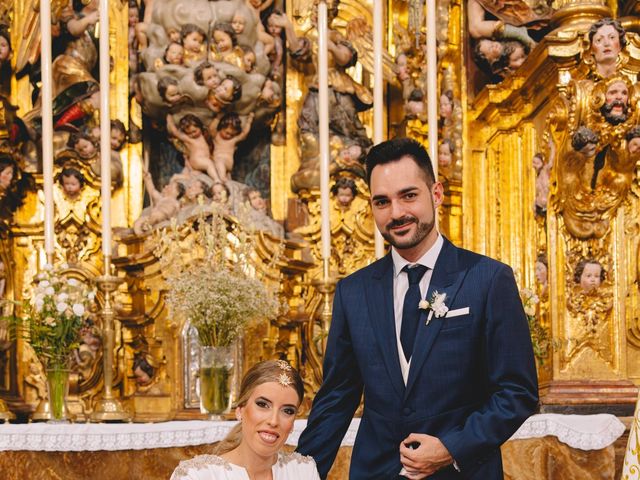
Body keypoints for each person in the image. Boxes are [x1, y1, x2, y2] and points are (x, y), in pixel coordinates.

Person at [297, 138, 538, 479]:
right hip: (376, 471)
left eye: (409, 195)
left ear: (435, 194)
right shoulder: (353, 291)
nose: (396, 213)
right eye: (382, 202)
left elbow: (518, 392)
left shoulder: (488, 279)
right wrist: (296, 473)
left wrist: (452, 447)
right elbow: (337, 397)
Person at [171, 360, 320, 480]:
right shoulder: (197, 475)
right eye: (263, 405)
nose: (274, 421)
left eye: (287, 411)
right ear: (240, 410)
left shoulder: (304, 471)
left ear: (293, 422)